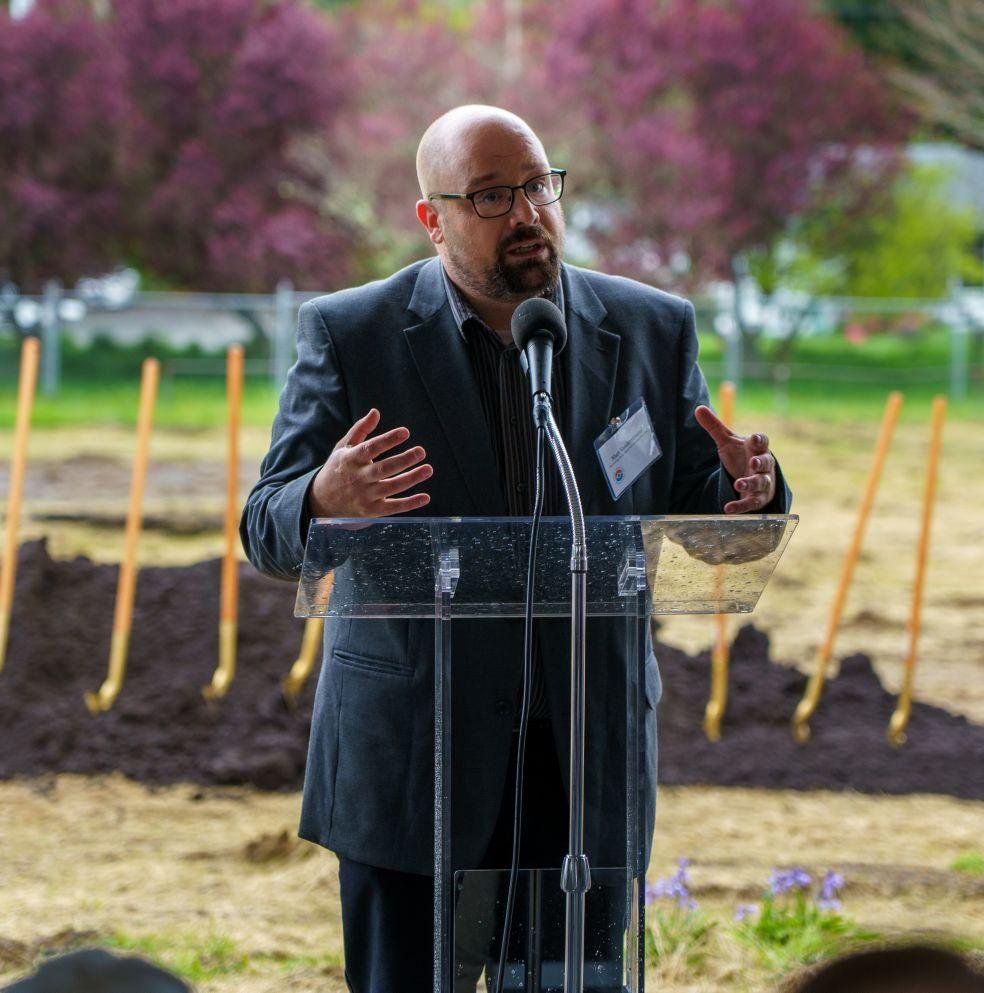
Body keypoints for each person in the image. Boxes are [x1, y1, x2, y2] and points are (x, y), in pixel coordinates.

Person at [240, 104, 791, 992]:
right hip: (418, 760)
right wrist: (319, 496)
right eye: (492, 195)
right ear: (433, 218)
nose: (528, 214)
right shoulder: (352, 334)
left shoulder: (650, 328)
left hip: (583, 762)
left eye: (539, 185)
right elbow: (263, 526)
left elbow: (704, 506)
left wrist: (751, 494)